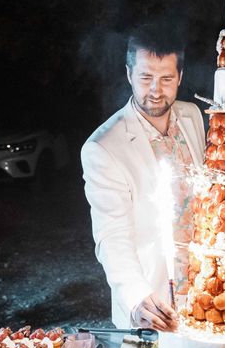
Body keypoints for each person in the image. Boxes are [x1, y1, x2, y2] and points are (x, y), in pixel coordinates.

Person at [81, 24, 205, 330]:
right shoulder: (103, 147)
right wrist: (136, 296)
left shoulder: (192, 116)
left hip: (205, 295)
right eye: (146, 77)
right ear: (129, 74)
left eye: (165, 79)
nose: (155, 90)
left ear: (180, 77)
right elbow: (111, 236)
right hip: (154, 303)